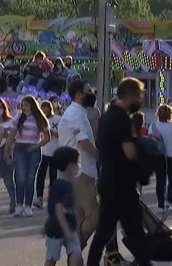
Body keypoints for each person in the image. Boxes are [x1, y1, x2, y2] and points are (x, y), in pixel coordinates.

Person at [87, 77, 151, 266]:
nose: (141, 100)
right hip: (121, 185)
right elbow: (129, 152)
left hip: (109, 180)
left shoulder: (108, 115)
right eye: (139, 96)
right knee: (135, 233)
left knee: (107, 230)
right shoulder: (121, 118)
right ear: (131, 96)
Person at [58, 80, 99, 251]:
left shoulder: (80, 113)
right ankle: (75, 249)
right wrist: (102, 158)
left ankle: (75, 255)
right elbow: (83, 143)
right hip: (80, 173)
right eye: (88, 90)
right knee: (95, 216)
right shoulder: (74, 114)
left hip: (84, 172)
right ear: (79, 95)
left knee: (81, 218)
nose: (92, 93)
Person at [4, 95, 50, 217]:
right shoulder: (18, 118)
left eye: (26, 105)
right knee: (20, 177)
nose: (24, 108)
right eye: (22, 105)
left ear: (32, 105)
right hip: (20, 148)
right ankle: (19, 205)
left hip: (34, 149)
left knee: (30, 178)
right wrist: (7, 150)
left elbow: (47, 137)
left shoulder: (39, 118)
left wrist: (35, 146)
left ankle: (28, 206)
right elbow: (12, 135)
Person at [44, 146, 82, 266]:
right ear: (69, 166)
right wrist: (65, 228)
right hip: (57, 229)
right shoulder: (59, 185)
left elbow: (73, 205)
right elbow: (58, 210)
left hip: (70, 228)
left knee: (76, 255)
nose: (78, 166)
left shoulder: (69, 184)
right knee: (52, 258)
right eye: (76, 163)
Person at [149, 105, 172, 213]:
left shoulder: (153, 126)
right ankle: (169, 202)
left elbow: (150, 141)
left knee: (160, 180)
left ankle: (160, 205)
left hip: (159, 156)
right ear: (170, 114)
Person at [33, 101, 61, 209]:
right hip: (43, 152)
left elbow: (60, 134)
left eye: (47, 109)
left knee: (53, 177)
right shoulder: (39, 120)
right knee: (40, 176)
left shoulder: (58, 119)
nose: (45, 111)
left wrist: (50, 132)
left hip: (54, 152)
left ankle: (52, 199)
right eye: (43, 109)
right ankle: (39, 198)